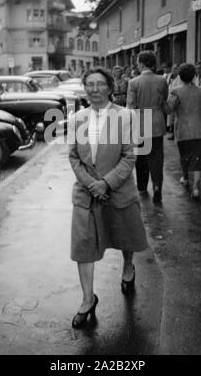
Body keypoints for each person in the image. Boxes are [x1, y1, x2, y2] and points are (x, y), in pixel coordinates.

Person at [68, 67, 147, 329]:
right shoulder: (78, 117)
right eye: (89, 84)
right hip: (86, 194)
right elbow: (74, 157)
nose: (94, 89)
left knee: (125, 236)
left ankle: (127, 268)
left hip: (118, 191)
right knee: (83, 246)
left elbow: (130, 156)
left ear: (110, 87)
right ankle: (88, 299)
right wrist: (92, 184)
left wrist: (107, 183)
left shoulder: (125, 116)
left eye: (100, 84)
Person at [127, 50, 168, 204]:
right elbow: (164, 101)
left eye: (138, 62)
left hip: (140, 122)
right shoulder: (162, 80)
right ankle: (157, 188)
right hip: (157, 121)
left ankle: (142, 187)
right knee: (157, 158)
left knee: (141, 158)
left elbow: (131, 107)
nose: (137, 65)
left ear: (142, 63)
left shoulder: (133, 82)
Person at [167, 63, 201, 200]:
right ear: (194, 76)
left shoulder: (176, 91)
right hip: (199, 128)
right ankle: (196, 187)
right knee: (198, 159)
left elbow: (170, 108)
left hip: (183, 130)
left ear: (180, 76)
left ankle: (185, 178)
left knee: (184, 156)